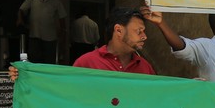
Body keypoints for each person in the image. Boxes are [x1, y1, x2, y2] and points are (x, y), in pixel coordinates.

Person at [9, 7, 156, 80]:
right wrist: (26, 78)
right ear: (118, 30)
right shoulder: (87, 62)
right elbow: (64, 93)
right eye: (139, 31)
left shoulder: (145, 67)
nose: (145, 36)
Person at [17, 0, 67, 64]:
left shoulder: (56, 1)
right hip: (35, 35)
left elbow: (62, 17)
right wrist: (19, 19)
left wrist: (62, 31)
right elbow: (21, 9)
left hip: (50, 37)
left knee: (49, 61)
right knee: (34, 60)